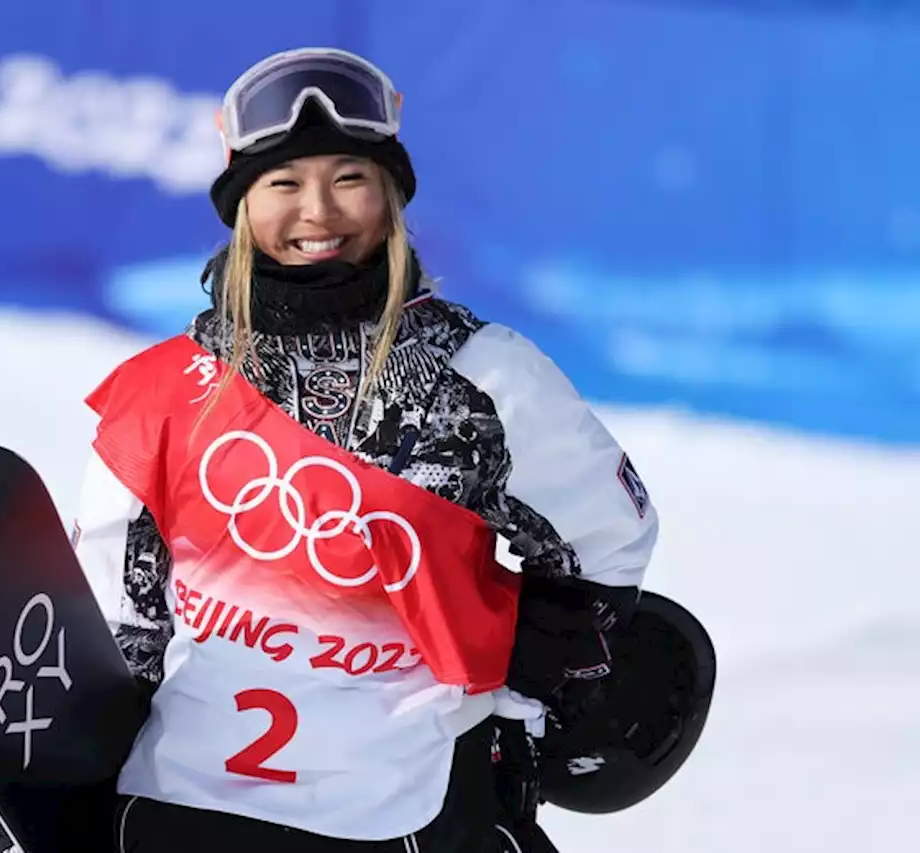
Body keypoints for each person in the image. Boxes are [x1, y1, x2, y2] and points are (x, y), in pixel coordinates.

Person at [74, 47, 658, 852]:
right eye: (282, 184)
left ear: (390, 198)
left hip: (406, 807)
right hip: (183, 808)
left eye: (349, 177)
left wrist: (535, 677)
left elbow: (607, 536)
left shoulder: (481, 376)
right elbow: (118, 622)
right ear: (243, 206)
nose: (317, 211)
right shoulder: (168, 387)